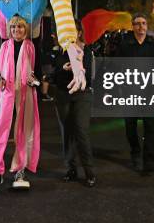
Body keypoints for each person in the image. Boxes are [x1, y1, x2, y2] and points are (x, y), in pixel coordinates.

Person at [0, 15, 41, 190]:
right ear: (9, 30)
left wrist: (35, 79)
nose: (16, 30)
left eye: (20, 27)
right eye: (13, 27)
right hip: (5, 94)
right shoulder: (3, 46)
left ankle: (20, 171)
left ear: (25, 29)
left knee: (25, 132)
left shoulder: (31, 47)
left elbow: (39, 71)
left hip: (25, 95)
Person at [116, 13, 154, 174]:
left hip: (149, 92)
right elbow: (116, 67)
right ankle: (135, 153)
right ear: (133, 26)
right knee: (131, 126)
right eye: (137, 23)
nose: (141, 26)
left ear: (147, 25)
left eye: (143, 23)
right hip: (130, 92)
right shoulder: (125, 45)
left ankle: (149, 160)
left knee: (150, 127)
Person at [54, 24, 96, 187]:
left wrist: (77, 68)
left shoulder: (86, 50)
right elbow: (53, 75)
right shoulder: (59, 51)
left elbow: (88, 73)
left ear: (79, 32)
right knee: (67, 132)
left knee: (81, 130)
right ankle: (71, 169)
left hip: (82, 94)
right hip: (62, 94)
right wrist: (62, 69)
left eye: (73, 30)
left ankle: (89, 171)